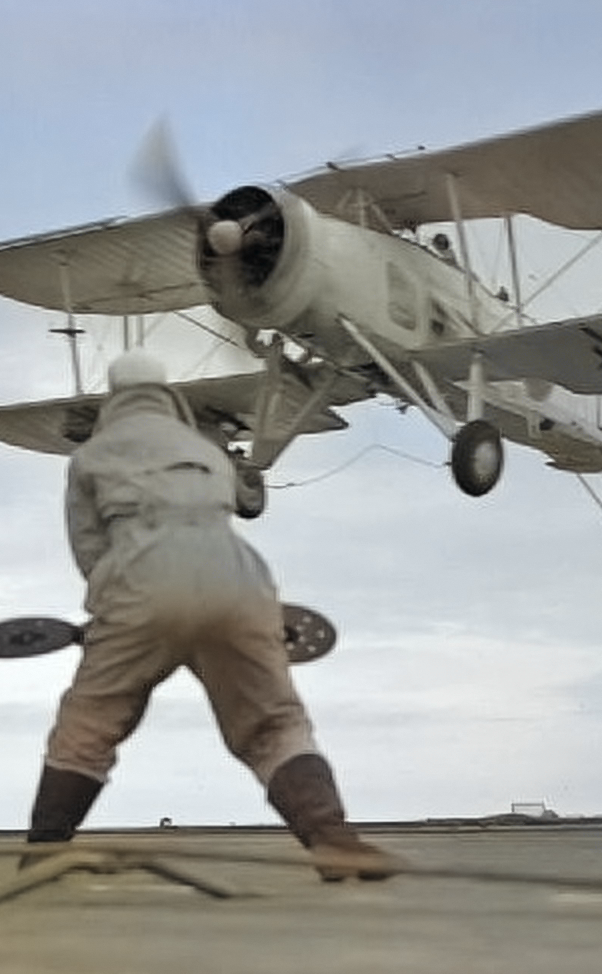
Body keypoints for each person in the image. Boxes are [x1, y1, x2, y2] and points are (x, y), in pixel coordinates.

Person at [20, 349, 400, 882]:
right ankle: (334, 839)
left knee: (90, 722)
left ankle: (42, 854)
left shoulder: (91, 457)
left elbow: (91, 554)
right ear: (168, 394)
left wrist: (110, 623)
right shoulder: (205, 450)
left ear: (113, 398)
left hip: (140, 581)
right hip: (240, 582)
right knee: (275, 723)